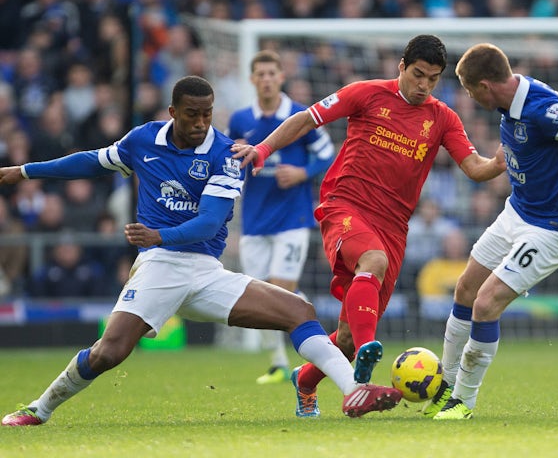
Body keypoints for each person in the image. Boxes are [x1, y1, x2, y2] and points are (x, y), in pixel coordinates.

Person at [0, 75, 401, 427]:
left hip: (205, 271)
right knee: (111, 352)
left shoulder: (225, 156)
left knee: (300, 312)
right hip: (160, 267)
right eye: (192, 114)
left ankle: (353, 391)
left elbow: (209, 223)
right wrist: (25, 171)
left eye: (207, 114)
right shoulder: (142, 140)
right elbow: (92, 161)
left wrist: (159, 234)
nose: (200, 123)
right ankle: (40, 408)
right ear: (173, 111)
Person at [232, 35, 507, 417]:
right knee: (372, 263)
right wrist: (262, 149)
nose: (423, 85)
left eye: (432, 78)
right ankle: (364, 365)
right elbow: (305, 119)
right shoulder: (365, 94)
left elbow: (474, 167)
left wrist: (498, 162)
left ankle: (307, 379)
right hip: (346, 206)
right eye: (417, 75)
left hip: (394, 226)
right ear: (401, 66)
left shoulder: (443, 118)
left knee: (345, 336)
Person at [425, 43, 558, 421]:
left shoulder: (541, 111)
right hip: (517, 210)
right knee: (465, 288)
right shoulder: (522, 87)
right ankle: (445, 383)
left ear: (487, 86)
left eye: (472, 91)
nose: (471, 99)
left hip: (552, 227)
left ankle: (463, 401)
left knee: (486, 303)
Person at [227, 50, 335, 385]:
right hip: (256, 220)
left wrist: (303, 172)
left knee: (281, 288)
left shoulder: (300, 115)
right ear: (252, 79)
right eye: (260, 74)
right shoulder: (241, 120)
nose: (267, 79)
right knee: (260, 298)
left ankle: (321, 340)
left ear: (281, 77)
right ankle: (278, 362)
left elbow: (328, 155)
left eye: (272, 73)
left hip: (293, 218)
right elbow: (234, 163)